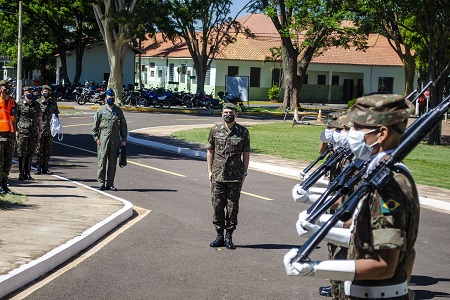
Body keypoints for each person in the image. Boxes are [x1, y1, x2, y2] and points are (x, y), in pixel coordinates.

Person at [284, 94, 419, 300]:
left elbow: (383, 265)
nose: (350, 134)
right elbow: (361, 236)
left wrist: (315, 268)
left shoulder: (389, 185)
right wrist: (319, 227)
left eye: (357, 127)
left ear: (381, 134)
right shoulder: (379, 173)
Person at [207, 103, 250, 250]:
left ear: (236, 114)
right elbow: (210, 151)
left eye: (231, 112)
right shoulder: (215, 130)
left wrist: (244, 172)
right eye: (225, 112)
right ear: (221, 114)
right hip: (218, 175)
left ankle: (229, 236)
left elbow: (246, 153)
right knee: (217, 206)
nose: (228, 114)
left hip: (235, 177)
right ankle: (219, 235)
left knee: (232, 208)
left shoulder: (243, 132)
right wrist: (209, 171)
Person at [92, 88, 127, 191]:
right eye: (108, 98)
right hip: (103, 140)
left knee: (112, 163)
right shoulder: (100, 110)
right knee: (102, 162)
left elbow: (123, 126)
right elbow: (95, 126)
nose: (110, 100)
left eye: (112, 98)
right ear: (105, 98)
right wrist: (96, 138)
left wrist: (124, 139)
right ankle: (101, 183)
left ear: (114, 98)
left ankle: (110, 183)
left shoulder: (118, 111)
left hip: (115, 140)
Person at [16, 86, 43, 180]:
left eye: (31, 92)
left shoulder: (36, 105)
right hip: (22, 132)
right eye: (27, 92)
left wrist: (40, 130)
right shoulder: (19, 104)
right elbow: (16, 118)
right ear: (24, 93)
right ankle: (20, 173)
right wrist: (16, 131)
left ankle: (27, 173)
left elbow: (40, 118)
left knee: (30, 153)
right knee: (21, 153)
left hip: (33, 132)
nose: (29, 93)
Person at [35, 85, 60, 175]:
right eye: (45, 91)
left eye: (48, 91)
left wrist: (57, 126)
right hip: (40, 129)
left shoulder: (53, 102)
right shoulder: (37, 102)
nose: (47, 93)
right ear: (41, 92)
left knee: (47, 150)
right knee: (38, 149)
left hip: (50, 130)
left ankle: (45, 167)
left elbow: (56, 114)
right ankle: (38, 167)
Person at [0, 80, 16, 193]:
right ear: (0, 89)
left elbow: (14, 119)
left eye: (9, 87)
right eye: (5, 87)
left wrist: (15, 133)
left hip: (10, 135)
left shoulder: (12, 102)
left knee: (8, 161)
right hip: (0, 134)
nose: (7, 89)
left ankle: (5, 184)